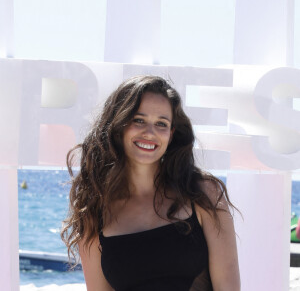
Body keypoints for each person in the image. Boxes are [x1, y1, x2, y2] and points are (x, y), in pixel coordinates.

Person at [61, 75, 240, 291]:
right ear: (118, 126)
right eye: (139, 120)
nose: (150, 133)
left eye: (161, 124)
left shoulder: (203, 194)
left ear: (171, 133)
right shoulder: (94, 212)